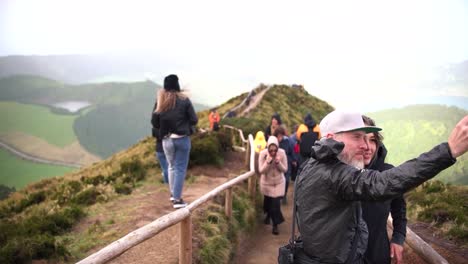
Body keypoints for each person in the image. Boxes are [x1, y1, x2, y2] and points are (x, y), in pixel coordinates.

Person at [294, 110, 468, 263]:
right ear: (331, 139)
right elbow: (382, 184)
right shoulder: (333, 174)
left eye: (368, 139)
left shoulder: (313, 165)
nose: (365, 146)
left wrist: (398, 237)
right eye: (356, 137)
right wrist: (448, 151)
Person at [361, 115, 407, 264]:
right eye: (361, 139)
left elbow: (399, 209)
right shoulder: (337, 176)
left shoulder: (387, 173)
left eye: (372, 140)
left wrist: (398, 237)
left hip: (378, 253)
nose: (368, 147)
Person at [151, 74, 198, 209]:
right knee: (180, 168)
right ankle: (177, 200)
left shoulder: (160, 100)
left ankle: (173, 195)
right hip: (182, 139)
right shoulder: (184, 100)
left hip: (166, 140)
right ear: (177, 85)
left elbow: (154, 122)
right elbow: (194, 119)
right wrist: (185, 124)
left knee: (171, 167)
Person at [258, 136, 288, 235]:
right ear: (268, 148)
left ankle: (275, 225)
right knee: (267, 202)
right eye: (271, 150)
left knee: (275, 204)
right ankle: (267, 215)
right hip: (267, 183)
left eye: (275, 150)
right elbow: (261, 170)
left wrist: (278, 163)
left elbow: (285, 169)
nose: (273, 152)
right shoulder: (263, 154)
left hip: (279, 182)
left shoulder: (282, 153)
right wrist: (268, 162)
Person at [273, 126, 295, 204]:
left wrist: (294, 160)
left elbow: (292, 150)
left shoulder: (288, 141)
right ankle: (277, 196)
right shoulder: (273, 142)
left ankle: (284, 195)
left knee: (286, 180)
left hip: (287, 162)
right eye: (278, 136)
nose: (280, 138)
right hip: (276, 164)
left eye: (281, 136)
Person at [151, 103, 169, 185]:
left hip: (159, 148)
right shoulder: (169, 121)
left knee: (165, 168)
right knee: (171, 167)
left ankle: (167, 184)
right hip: (169, 147)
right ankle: (171, 184)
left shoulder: (155, 126)